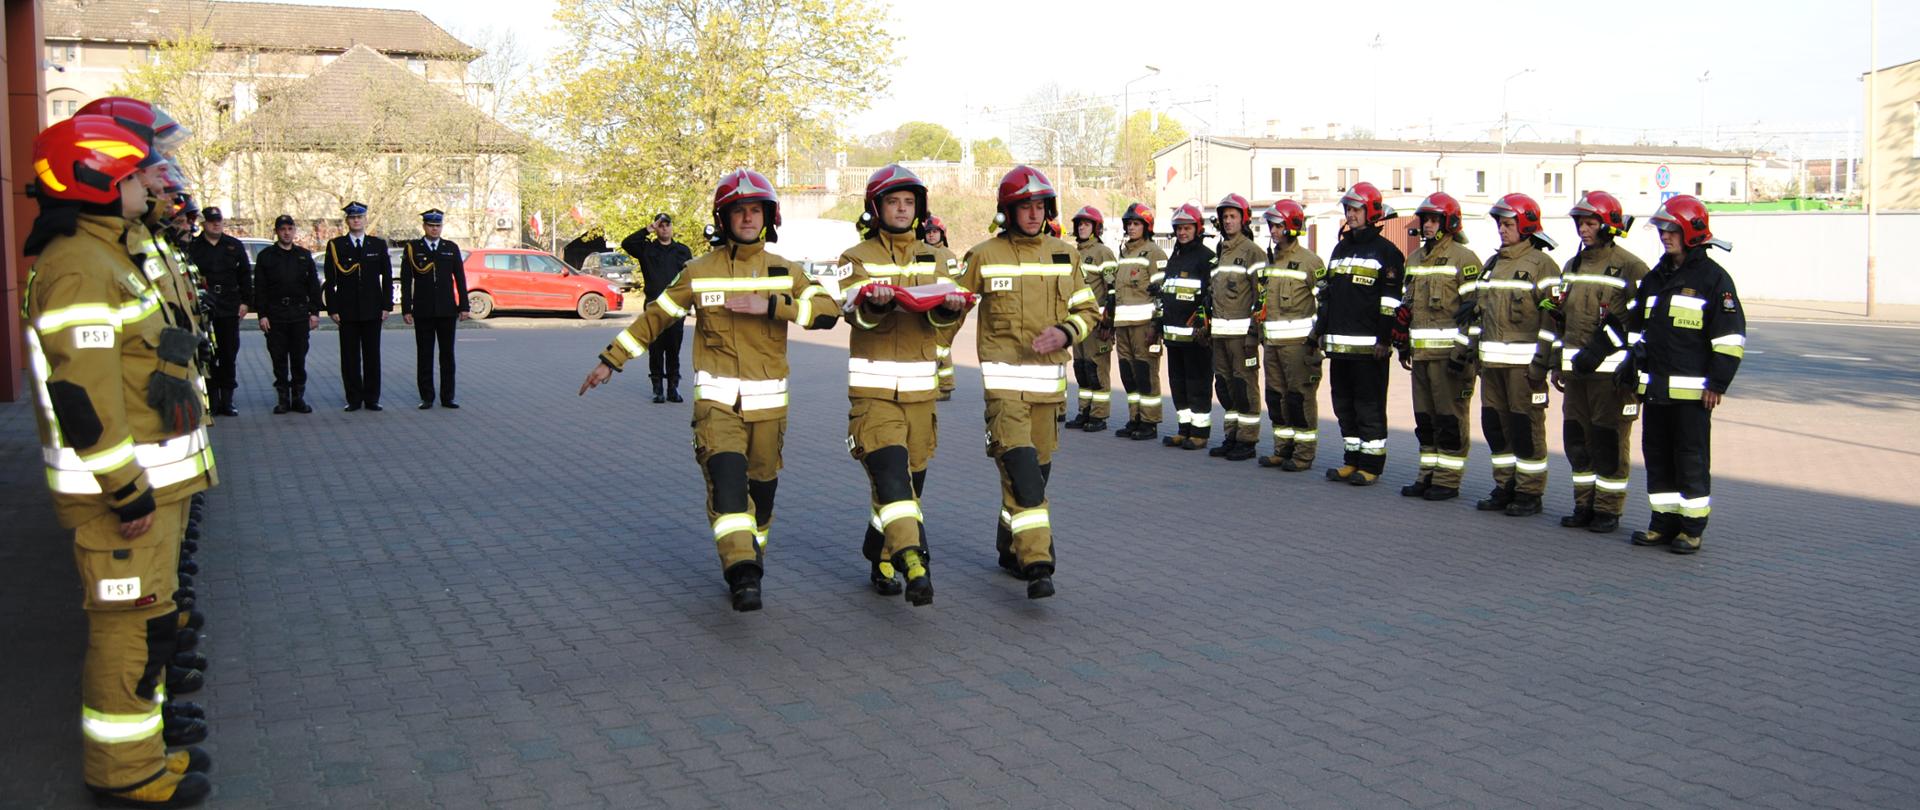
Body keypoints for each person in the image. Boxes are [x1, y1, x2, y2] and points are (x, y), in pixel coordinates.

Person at [22, 113, 214, 808]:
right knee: (127, 633)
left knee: (149, 628)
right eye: (135, 174)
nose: (149, 184)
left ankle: (143, 748)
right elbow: (84, 395)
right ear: (97, 179)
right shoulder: (80, 265)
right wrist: (126, 488)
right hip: (124, 499)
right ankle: (124, 771)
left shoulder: (104, 251)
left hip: (147, 489)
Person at [580, 169, 837, 611]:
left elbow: (828, 311)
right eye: (739, 211)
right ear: (724, 218)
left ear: (768, 216)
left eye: (755, 210)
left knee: (762, 497)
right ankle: (742, 571)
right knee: (727, 484)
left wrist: (773, 305)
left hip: (768, 411)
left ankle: (751, 554)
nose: (748, 218)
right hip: (717, 406)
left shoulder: (785, 271)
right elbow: (655, 318)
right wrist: (611, 360)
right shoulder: (698, 272)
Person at [950, 165, 1101, 599]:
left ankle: (1008, 545)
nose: (1033, 214)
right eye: (1024, 207)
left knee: (1034, 477)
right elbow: (951, 311)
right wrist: (930, 354)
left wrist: (1066, 333)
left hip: (1048, 394)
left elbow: (1088, 311)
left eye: (1040, 206)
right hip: (1004, 392)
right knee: (1023, 475)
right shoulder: (983, 256)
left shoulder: (1065, 255)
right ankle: (1038, 563)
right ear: (1007, 211)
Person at [1577, 195, 1744, 554]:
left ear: (1692, 232)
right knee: (1658, 459)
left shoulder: (1714, 279)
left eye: (1671, 229)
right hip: (1655, 390)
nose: (1665, 236)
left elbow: (1729, 339)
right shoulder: (1656, 278)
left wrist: (1717, 383)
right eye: (1662, 230)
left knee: (1690, 459)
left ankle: (1692, 528)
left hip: (1692, 395)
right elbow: (1632, 326)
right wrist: (1596, 354)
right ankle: (1662, 523)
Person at [837, 164, 972, 604]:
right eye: (893, 201)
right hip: (873, 396)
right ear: (876, 207)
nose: (901, 209)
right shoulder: (854, 257)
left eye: (909, 202)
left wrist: (949, 309)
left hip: (920, 396)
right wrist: (874, 306)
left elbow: (946, 320)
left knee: (905, 490)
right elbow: (854, 317)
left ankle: (876, 552)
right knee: (893, 480)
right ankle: (914, 564)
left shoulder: (941, 259)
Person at [1553, 191, 1649, 533]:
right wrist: (1557, 363)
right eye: (1580, 223)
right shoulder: (1571, 266)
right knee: (1577, 441)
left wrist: (1633, 368)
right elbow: (1561, 321)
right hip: (1576, 375)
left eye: (1591, 223)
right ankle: (1584, 505)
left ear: (1608, 226)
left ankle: (1608, 509)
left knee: (1609, 444)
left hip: (1612, 378)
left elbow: (1643, 323)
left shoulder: (1631, 267)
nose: (1583, 229)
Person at [1466, 193, 1561, 517]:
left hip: (1524, 369)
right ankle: (1504, 485)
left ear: (1526, 226)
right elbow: (1479, 313)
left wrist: (1542, 363)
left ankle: (1529, 492)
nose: (1502, 230)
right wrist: (1475, 355)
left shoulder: (1542, 265)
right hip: (1492, 366)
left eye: (1508, 225)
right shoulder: (1492, 265)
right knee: (1496, 427)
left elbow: (1552, 318)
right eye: (1500, 225)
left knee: (1525, 429)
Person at [1320, 182, 1406, 485]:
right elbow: (1328, 295)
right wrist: (1321, 332)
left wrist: (1384, 339)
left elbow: (1390, 303)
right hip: (1340, 348)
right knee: (1343, 406)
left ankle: (1371, 465)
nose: (1351, 215)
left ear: (1371, 212)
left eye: (1356, 209)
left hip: (1370, 350)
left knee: (1368, 407)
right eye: (1348, 209)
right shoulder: (1341, 248)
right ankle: (1351, 460)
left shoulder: (1387, 252)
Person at [1399, 192, 1481, 501]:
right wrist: (1402, 340)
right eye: (1425, 220)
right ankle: (1427, 475)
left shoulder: (1464, 259)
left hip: (1450, 359)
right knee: (1425, 420)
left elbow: (1475, 312)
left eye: (1434, 220)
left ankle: (1447, 480)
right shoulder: (1414, 259)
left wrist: (1462, 352)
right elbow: (1408, 305)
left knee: (1449, 420)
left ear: (1450, 222)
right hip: (1421, 356)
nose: (1428, 225)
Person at [1255, 199, 1326, 470]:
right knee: (1276, 398)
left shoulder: (1310, 262)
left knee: (1299, 398)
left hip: (1299, 347)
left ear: (1292, 227)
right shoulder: (1269, 262)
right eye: (1271, 226)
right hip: (1272, 345)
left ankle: (1303, 454)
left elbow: (1325, 303)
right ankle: (1282, 449)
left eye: (1278, 226)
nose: (1273, 231)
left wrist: (1316, 338)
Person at [1207, 193, 1265, 461]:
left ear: (1244, 220)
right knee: (1225, 386)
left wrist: (1254, 334)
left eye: (1233, 216)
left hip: (1243, 338)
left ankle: (1247, 440)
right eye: (1225, 217)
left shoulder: (1253, 253)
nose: (1228, 221)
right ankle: (1231, 435)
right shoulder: (1220, 252)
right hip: (1220, 335)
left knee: (1244, 387)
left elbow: (1262, 297)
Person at [323, 202, 393, 411]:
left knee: (372, 356)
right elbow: (330, 280)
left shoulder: (377, 245)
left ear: (365, 220)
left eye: (359, 217)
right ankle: (353, 398)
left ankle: (372, 398)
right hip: (347, 310)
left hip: (372, 309)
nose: (356, 221)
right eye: (352, 217)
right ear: (347, 221)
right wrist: (333, 309)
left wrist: (386, 305)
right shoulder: (336, 245)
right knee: (350, 357)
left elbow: (387, 277)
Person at [1158, 203, 1214, 450]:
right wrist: (1159, 323)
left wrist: (1204, 321)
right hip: (1173, 335)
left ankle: (1199, 433)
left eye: (1187, 228)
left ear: (1197, 229)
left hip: (1195, 337)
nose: (1182, 232)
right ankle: (1184, 429)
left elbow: (1211, 293)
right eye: (1179, 228)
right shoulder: (1175, 256)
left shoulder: (1206, 257)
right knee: (1178, 385)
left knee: (1197, 384)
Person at [1109, 203, 1167, 440]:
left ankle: (1149, 422)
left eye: (1136, 224)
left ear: (1146, 226)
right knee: (1128, 374)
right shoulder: (1124, 254)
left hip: (1145, 327)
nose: (1132, 228)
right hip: (1123, 326)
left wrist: (1156, 326)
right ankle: (1135, 417)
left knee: (1145, 373)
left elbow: (1162, 293)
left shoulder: (1154, 253)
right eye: (1129, 224)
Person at [186, 206, 251, 417]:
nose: (216, 224)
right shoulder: (194, 247)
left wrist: (245, 303)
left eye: (219, 221)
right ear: (203, 224)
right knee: (208, 355)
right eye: (212, 221)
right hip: (205, 308)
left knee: (228, 353)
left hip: (229, 306)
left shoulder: (233, 245)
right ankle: (212, 400)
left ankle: (228, 400)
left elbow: (244, 276)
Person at [621, 213, 693, 402]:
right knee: (656, 350)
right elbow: (627, 243)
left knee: (673, 350)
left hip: (676, 308)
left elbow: (689, 278)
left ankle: (673, 388)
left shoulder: (682, 251)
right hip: (654, 307)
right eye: (660, 225)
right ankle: (658, 389)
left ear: (672, 227)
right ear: (656, 228)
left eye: (667, 225)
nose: (664, 228)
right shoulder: (646, 249)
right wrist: (648, 229)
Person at [401, 209, 470, 409]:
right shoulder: (413, 248)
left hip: (447, 310)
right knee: (425, 355)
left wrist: (464, 306)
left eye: (438, 226)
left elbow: (460, 279)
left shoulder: (450, 248)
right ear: (424, 226)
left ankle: (448, 397)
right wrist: (406, 308)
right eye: (431, 225)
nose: (434, 229)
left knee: (447, 355)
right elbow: (406, 280)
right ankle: (427, 397)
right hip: (423, 310)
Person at [254, 215, 320, 415]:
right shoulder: (266, 256)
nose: (286, 233)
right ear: (276, 231)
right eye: (282, 229)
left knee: (299, 358)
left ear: (294, 231)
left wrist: (314, 313)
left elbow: (313, 286)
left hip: (299, 314)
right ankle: (283, 399)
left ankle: (298, 397)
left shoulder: (303, 256)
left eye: (290, 229)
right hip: (276, 314)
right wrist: (262, 315)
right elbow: (260, 288)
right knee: (279, 358)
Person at [1065, 206, 1118, 432]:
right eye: (1079, 224)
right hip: (1078, 322)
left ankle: (1099, 415)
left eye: (1086, 224)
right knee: (1082, 368)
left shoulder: (1103, 253)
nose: (1082, 227)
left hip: (1097, 323)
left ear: (1096, 228)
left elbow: (1113, 290)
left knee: (1097, 369)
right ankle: (1084, 411)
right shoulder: (1074, 253)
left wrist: (1109, 323)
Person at [923, 215, 961, 400]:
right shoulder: (919, 252)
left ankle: (945, 387)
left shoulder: (949, 256)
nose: (931, 235)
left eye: (934, 232)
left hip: (943, 304)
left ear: (942, 234)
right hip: (925, 302)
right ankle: (941, 385)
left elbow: (957, 280)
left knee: (941, 346)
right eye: (928, 232)